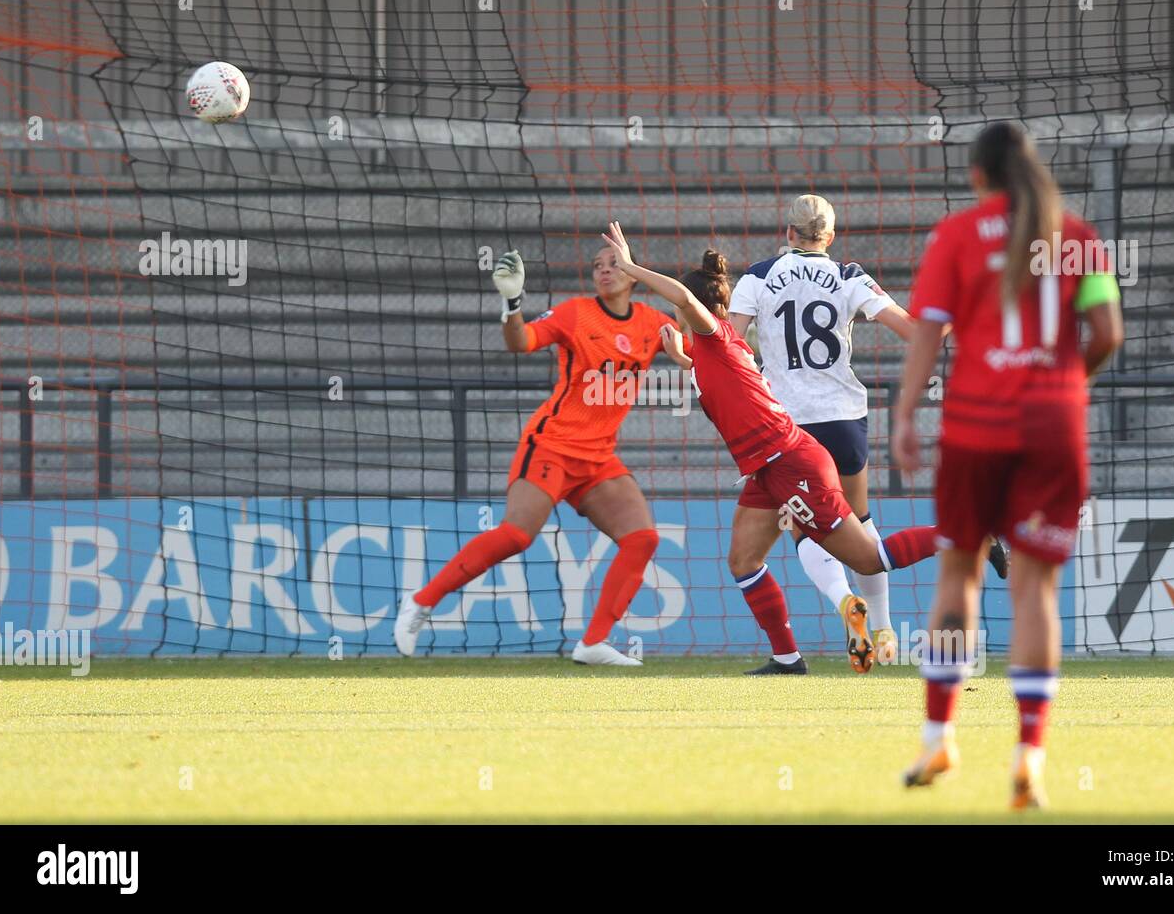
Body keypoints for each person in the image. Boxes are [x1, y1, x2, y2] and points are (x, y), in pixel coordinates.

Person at [892, 122, 1124, 809]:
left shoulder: (955, 236)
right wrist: (1063, 387)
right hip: (1054, 427)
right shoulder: (1079, 236)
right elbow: (1109, 333)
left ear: (977, 176)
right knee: (1037, 592)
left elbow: (928, 333)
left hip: (975, 424)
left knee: (958, 572)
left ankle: (938, 739)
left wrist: (905, 415)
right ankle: (1028, 758)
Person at [600, 221, 937, 676]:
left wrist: (632, 268)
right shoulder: (715, 352)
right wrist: (681, 358)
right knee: (743, 559)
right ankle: (787, 658)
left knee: (866, 557)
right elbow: (725, 381)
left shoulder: (716, 334)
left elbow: (681, 299)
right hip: (768, 465)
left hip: (790, 459)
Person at [729, 194, 1008, 673]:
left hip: (788, 427)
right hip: (843, 419)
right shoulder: (847, 276)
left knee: (806, 529)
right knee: (858, 521)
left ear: (789, 233)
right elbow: (918, 331)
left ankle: (841, 605)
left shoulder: (757, 276)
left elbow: (730, 346)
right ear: (830, 238)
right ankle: (882, 630)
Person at [394, 246, 676, 665]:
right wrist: (512, 304)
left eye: (613, 264)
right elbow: (521, 342)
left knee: (642, 538)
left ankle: (593, 643)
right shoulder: (576, 313)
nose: (604, 271)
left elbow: (697, 341)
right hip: (552, 446)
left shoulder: (653, 323)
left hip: (599, 458)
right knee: (516, 535)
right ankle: (421, 601)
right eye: (596, 266)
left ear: (634, 274)